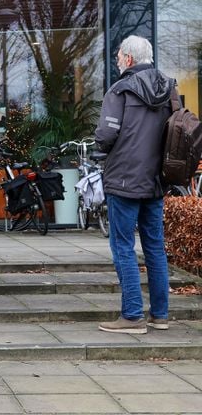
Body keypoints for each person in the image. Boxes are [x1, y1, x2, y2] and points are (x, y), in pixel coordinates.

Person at [94, 35, 173, 334]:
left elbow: (106, 135)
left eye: (118, 56)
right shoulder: (169, 88)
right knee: (154, 247)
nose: (117, 61)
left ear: (128, 59)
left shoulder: (120, 89)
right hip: (155, 180)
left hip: (124, 179)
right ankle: (160, 315)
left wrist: (99, 142)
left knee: (123, 247)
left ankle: (131, 316)